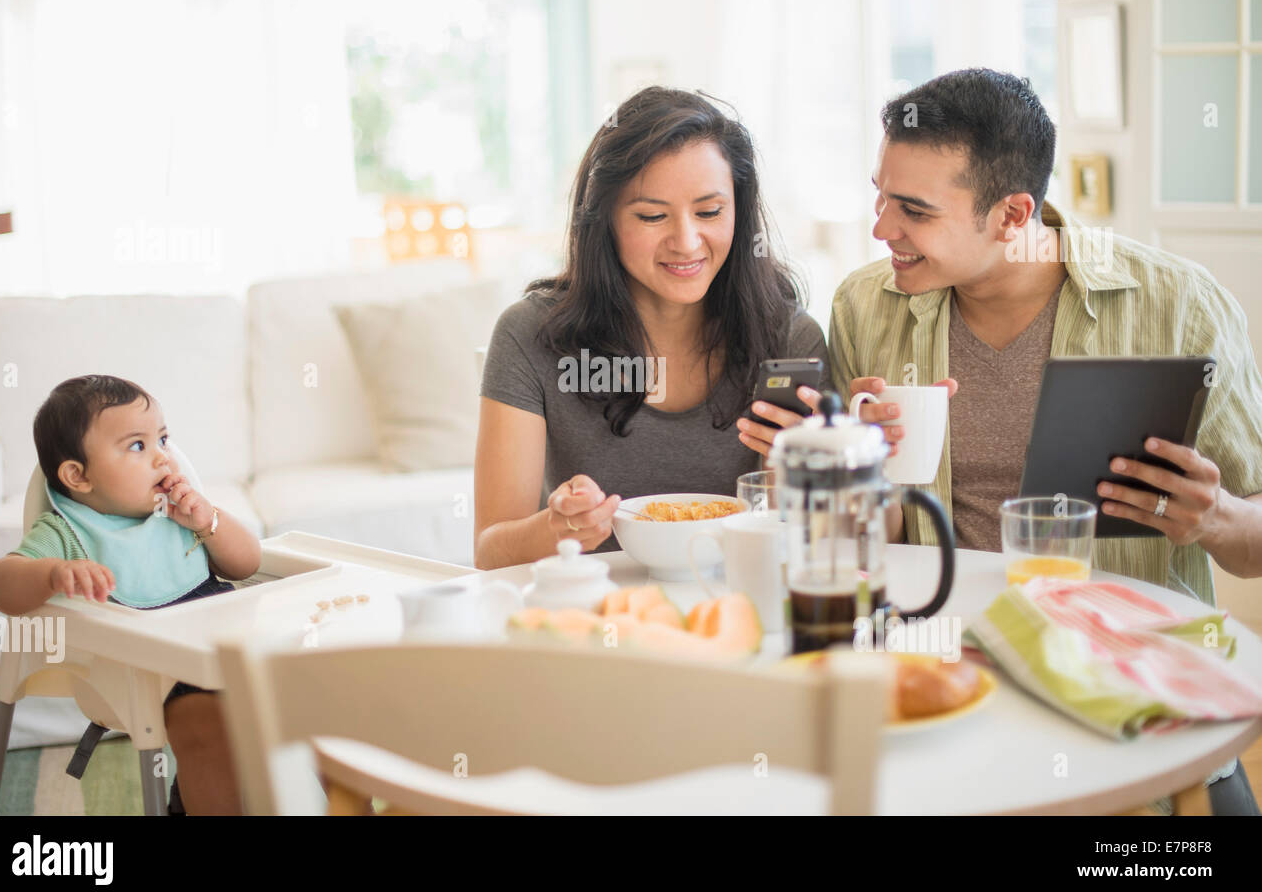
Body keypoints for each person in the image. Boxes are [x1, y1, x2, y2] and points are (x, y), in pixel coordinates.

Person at [826, 68, 1262, 814]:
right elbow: (867, 542)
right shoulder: (866, 306)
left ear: (1011, 214)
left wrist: (1215, 516)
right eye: (880, 194)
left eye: (914, 210)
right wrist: (853, 467)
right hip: (941, 681)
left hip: (1124, 696)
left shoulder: (1180, 305)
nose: (880, 227)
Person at [474, 87, 828, 570]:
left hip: (736, 610)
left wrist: (807, 472)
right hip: (588, 620)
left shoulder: (787, 340)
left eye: (709, 212)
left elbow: (794, 544)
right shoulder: (531, 335)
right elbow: (491, 552)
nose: (686, 242)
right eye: (652, 216)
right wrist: (557, 529)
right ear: (604, 222)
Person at [0, 375, 261, 815]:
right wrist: (54, 573)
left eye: (164, 439)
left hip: (238, 648)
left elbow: (247, 564)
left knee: (317, 705)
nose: (162, 458)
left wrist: (209, 521)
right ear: (78, 476)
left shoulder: (179, 513)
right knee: (205, 731)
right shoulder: (65, 532)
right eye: (138, 446)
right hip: (157, 671)